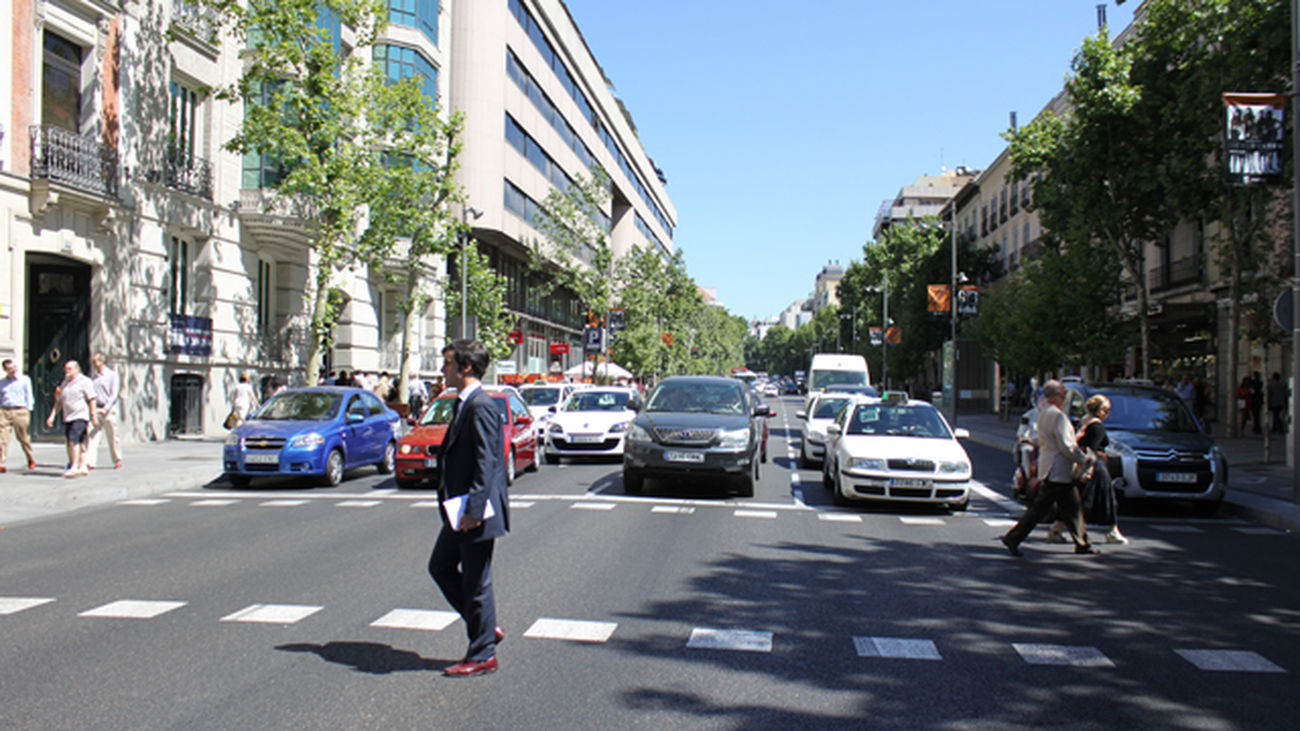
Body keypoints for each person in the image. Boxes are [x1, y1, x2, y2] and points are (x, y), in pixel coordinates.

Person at [428, 339, 510, 677]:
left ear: (465, 367)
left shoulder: (480, 406)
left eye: (447, 363)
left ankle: (482, 654)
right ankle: (484, 629)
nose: (442, 370)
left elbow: (487, 463)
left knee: (476, 582)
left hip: (474, 512)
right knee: (441, 566)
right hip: (461, 510)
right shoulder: (465, 403)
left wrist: (474, 511)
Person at [1001, 380, 1099, 556]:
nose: (1064, 398)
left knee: (1072, 508)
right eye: (1062, 395)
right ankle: (1013, 538)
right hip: (1058, 469)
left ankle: (1082, 543)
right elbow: (1066, 446)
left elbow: (1043, 439)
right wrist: (1083, 459)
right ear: (1055, 396)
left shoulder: (1044, 413)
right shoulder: (1059, 416)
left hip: (1050, 467)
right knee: (1042, 510)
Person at [1046, 394, 1126, 545]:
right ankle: (1112, 531)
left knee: (1076, 499)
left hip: (1082, 464)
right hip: (1096, 465)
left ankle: (1056, 528)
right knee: (1106, 499)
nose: (1107, 414)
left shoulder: (1084, 422)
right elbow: (1093, 449)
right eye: (1106, 410)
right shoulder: (1098, 426)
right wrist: (1089, 469)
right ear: (1100, 410)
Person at [45, 360, 97, 478]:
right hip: (68, 416)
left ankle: (74, 466)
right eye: (65, 368)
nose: (66, 371)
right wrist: (52, 415)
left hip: (80, 415)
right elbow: (59, 402)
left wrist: (93, 416)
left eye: (69, 368)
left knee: (75, 440)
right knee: (75, 442)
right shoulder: (65, 383)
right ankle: (82, 466)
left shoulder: (84, 381)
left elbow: (92, 399)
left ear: (76, 369)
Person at [86, 352, 123, 469]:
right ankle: (90, 461)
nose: (93, 363)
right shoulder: (94, 378)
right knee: (92, 435)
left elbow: (114, 394)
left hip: (108, 409)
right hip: (96, 408)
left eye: (95, 361)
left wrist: (106, 408)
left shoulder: (112, 375)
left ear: (101, 361)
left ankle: (117, 459)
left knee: (112, 435)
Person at [0, 358, 38, 472]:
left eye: (14, 367)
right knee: (2, 439)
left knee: (23, 437)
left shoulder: (24, 380)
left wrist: (28, 409)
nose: (13, 370)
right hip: (5, 411)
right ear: (5, 370)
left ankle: (30, 458)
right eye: (10, 369)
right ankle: (1, 463)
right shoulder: (2, 383)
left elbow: (29, 395)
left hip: (20, 411)